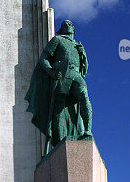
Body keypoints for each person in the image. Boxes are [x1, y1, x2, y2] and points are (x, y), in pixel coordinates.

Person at [25, 20, 92, 151]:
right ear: (61, 29)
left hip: (75, 74)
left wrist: (83, 54)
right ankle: (60, 141)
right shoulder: (57, 40)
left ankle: (87, 131)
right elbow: (43, 58)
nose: (68, 25)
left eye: (70, 24)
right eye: (64, 24)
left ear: (73, 29)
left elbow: (85, 69)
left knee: (84, 95)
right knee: (59, 107)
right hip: (62, 74)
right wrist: (51, 71)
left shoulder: (78, 45)